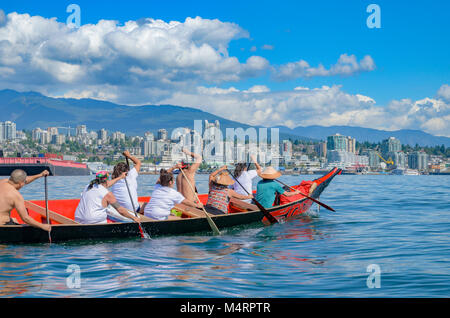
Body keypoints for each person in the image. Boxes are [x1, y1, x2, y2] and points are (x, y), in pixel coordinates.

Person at [75, 171, 140, 224]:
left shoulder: (88, 186)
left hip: (78, 219)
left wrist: (120, 177)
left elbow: (107, 184)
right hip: (93, 221)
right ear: (106, 180)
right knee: (128, 218)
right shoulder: (107, 194)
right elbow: (121, 210)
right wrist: (134, 218)